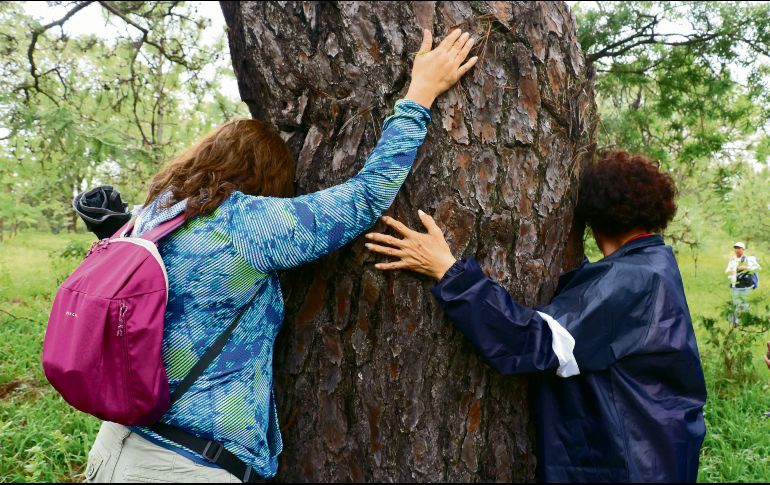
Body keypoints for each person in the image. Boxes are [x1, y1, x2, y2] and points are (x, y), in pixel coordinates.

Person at [83, 29, 478, 483]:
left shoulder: (157, 216)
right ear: (266, 178)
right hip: (181, 466)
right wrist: (420, 94)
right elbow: (366, 197)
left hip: (114, 448)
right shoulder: (241, 225)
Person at [365, 150, 707, 482]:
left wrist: (448, 271)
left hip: (633, 465)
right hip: (654, 460)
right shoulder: (654, 266)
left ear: (593, 216)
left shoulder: (631, 280)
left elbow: (530, 343)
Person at [725, 242, 760, 325]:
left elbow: (756, 268)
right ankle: (735, 322)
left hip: (746, 286)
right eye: (736, 248)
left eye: (739, 248)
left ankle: (745, 321)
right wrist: (737, 269)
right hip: (736, 286)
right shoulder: (733, 260)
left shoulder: (749, 259)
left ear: (743, 249)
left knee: (745, 304)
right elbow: (728, 271)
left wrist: (746, 267)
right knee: (735, 303)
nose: (737, 250)